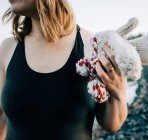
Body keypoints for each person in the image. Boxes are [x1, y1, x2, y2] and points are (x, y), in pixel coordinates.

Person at [0, 0, 128, 140]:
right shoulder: (7, 48)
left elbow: (111, 125)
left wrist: (118, 91)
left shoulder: (91, 45)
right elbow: (1, 117)